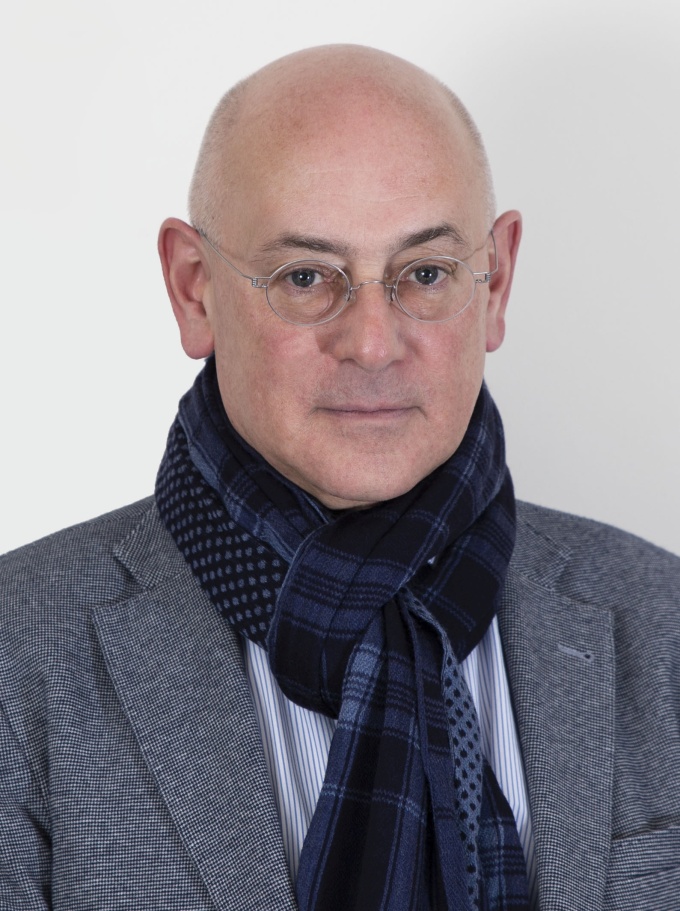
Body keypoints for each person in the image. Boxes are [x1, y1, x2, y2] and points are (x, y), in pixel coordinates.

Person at [0, 44, 678, 911]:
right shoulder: (17, 659)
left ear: (496, 281)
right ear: (194, 290)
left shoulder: (665, 625)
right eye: (306, 278)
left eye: (424, 273)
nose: (371, 343)